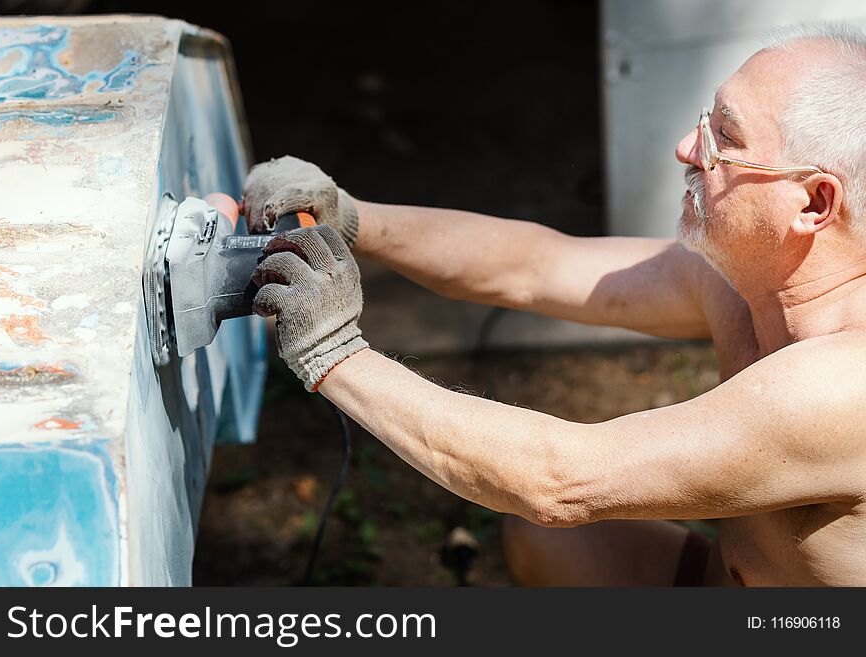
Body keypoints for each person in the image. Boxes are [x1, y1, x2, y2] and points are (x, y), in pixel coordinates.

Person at [238, 24, 866, 586]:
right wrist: (348, 216)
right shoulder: (749, 282)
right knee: (553, 543)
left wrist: (334, 353)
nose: (686, 148)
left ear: (813, 202)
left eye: (724, 137)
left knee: (550, 513)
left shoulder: (843, 383)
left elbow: (562, 480)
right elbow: (536, 266)